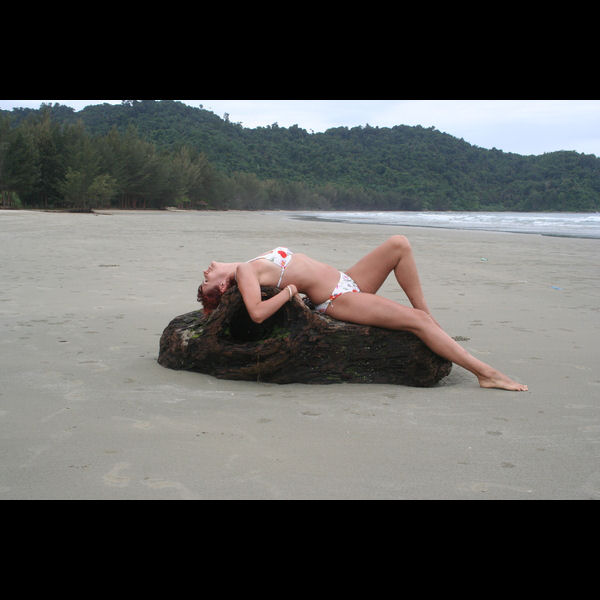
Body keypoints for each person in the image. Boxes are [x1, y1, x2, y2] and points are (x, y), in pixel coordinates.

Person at [197, 236, 528, 391]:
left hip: (348, 279)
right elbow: (256, 313)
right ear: (222, 287)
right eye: (206, 281)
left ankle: (430, 321)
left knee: (399, 244)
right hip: (338, 299)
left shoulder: (247, 264)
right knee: (417, 323)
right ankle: (485, 373)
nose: (205, 271)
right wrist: (289, 292)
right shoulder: (244, 273)